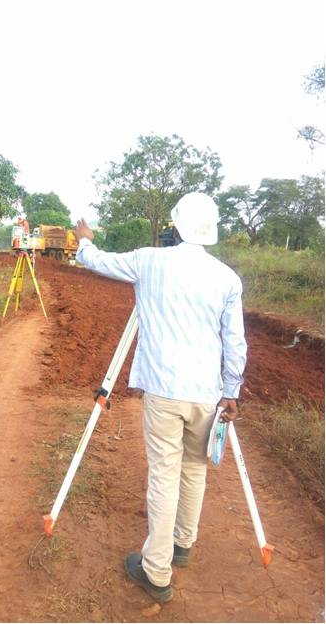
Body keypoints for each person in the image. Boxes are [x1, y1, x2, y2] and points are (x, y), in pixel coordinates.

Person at [74, 192, 247, 603]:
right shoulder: (227, 278)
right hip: (206, 394)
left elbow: (97, 261)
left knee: (164, 476)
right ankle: (183, 544)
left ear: (176, 226)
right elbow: (235, 341)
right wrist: (232, 390)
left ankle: (156, 571)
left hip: (164, 391)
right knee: (195, 470)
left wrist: (84, 241)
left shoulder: (149, 261)